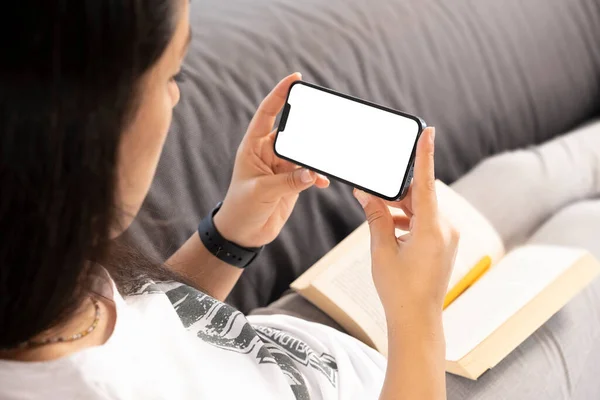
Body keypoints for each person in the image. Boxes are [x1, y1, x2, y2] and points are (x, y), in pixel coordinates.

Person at [0, 1, 458, 399]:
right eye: (170, 76)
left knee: (520, 178)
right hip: (412, 374)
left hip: (306, 353)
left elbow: (154, 341)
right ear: (90, 135)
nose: (177, 97)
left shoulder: (35, 277)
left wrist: (231, 234)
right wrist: (418, 320)